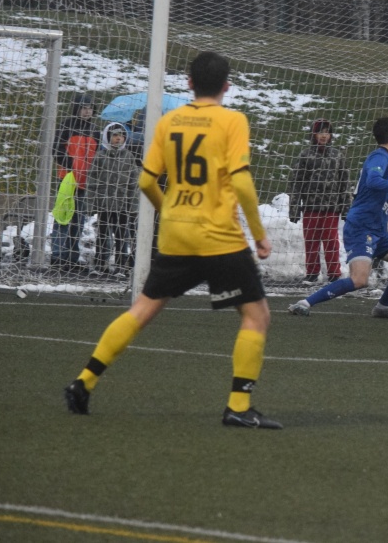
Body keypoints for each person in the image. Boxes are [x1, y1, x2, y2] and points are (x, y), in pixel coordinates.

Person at [64, 51, 283, 429]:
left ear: (189, 83)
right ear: (227, 86)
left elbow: (147, 181)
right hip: (219, 237)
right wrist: (259, 235)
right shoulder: (233, 120)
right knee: (256, 315)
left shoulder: (169, 122)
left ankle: (84, 382)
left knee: (142, 310)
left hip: (176, 234)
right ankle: (238, 405)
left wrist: (170, 212)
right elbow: (242, 182)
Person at [287, 117, 388, 320]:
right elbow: (373, 181)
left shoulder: (386, 162)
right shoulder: (379, 157)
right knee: (359, 280)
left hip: (378, 231)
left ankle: (382, 307)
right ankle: (304, 303)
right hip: (362, 228)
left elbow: (386, 207)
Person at [287, 118, 350, 285]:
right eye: (320, 132)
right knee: (311, 241)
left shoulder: (337, 156)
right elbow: (296, 183)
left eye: (327, 132)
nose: (323, 136)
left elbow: (344, 183)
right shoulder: (305, 155)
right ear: (313, 134)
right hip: (310, 207)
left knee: (331, 242)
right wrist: (294, 207)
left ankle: (334, 273)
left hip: (331, 208)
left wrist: (345, 207)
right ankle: (312, 273)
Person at [51, 93, 99, 271]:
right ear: (76, 109)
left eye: (90, 108)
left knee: (78, 220)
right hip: (67, 179)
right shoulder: (66, 126)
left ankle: (72, 257)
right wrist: (71, 165)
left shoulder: (95, 130)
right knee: (63, 217)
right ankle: (57, 255)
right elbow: (56, 150)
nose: (87, 111)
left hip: (86, 182)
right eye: (84, 108)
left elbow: (98, 155)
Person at [86, 121, 140, 275]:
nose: (118, 138)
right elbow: (92, 181)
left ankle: (121, 265)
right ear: (107, 137)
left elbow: (133, 183)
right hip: (104, 203)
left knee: (121, 236)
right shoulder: (100, 156)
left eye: (121, 135)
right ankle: (100, 264)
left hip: (122, 205)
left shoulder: (128, 157)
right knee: (103, 235)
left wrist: (132, 205)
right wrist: (91, 204)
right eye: (115, 135)